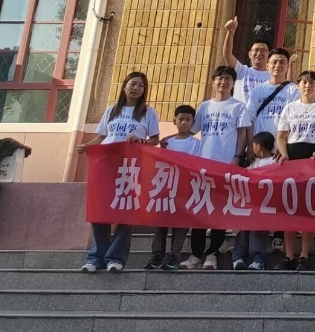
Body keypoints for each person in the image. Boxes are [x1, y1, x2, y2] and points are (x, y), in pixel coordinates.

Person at [78, 72, 160, 273]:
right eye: (133, 84)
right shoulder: (112, 110)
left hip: (131, 166)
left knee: (126, 211)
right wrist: (88, 146)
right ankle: (95, 258)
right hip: (106, 165)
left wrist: (140, 141)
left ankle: (115, 258)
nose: (136, 88)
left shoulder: (148, 113)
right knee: (100, 210)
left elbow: (155, 140)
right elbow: (101, 137)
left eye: (141, 85)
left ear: (144, 90)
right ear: (124, 87)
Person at [185, 66, 251, 270]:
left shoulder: (238, 107)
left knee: (219, 211)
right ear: (213, 82)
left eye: (228, 79)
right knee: (200, 210)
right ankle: (196, 254)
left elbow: (242, 134)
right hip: (203, 165)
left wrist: (237, 157)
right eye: (220, 79)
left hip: (225, 165)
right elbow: (191, 131)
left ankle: (212, 253)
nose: (223, 82)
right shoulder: (204, 107)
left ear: (233, 83)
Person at [275, 70, 315, 272]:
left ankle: (305, 255)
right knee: (290, 207)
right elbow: (281, 136)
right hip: (292, 156)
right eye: (304, 82)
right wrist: (284, 154)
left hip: (314, 157)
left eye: (312, 83)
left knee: (309, 207)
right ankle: (289, 256)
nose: (308, 86)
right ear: (298, 85)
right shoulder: (290, 108)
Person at [147, 104, 198, 271]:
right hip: (165, 187)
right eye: (181, 119)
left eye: (188, 120)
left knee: (181, 222)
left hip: (185, 189)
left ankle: (174, 255)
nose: (184, 123)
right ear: (174, 120)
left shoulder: (196, 144)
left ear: (193, 122)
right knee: (160, 221)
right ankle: (157, 254)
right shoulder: (166, 142)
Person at [231, 133, 278, 271]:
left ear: (259, 146)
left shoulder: (274, 162)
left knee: (258, 231)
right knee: (243, 230)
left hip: (264, 205)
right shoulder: (254, 163)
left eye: (253, 145)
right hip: (250, 203)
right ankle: (238, 258)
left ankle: (258, 260)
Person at [244, 48, 298, 153]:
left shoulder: (294, 90)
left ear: (287, 66)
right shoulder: (257, 90)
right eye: (274, 62)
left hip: (281, 152)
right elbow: (249, 119)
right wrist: (250, 145)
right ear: (267, 65)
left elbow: (294, 122)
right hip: (258, 150)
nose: (278, 65)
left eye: (282, 62)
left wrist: (284, 147)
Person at [220, 16, 270, 102]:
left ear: (269, 55)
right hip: (241, 111)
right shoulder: (242, 71)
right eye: (256, 50)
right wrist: (230, 32)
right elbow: (227, 55)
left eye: (263, 50)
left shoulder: (273, 77)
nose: (259, 53)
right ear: (250, 54)